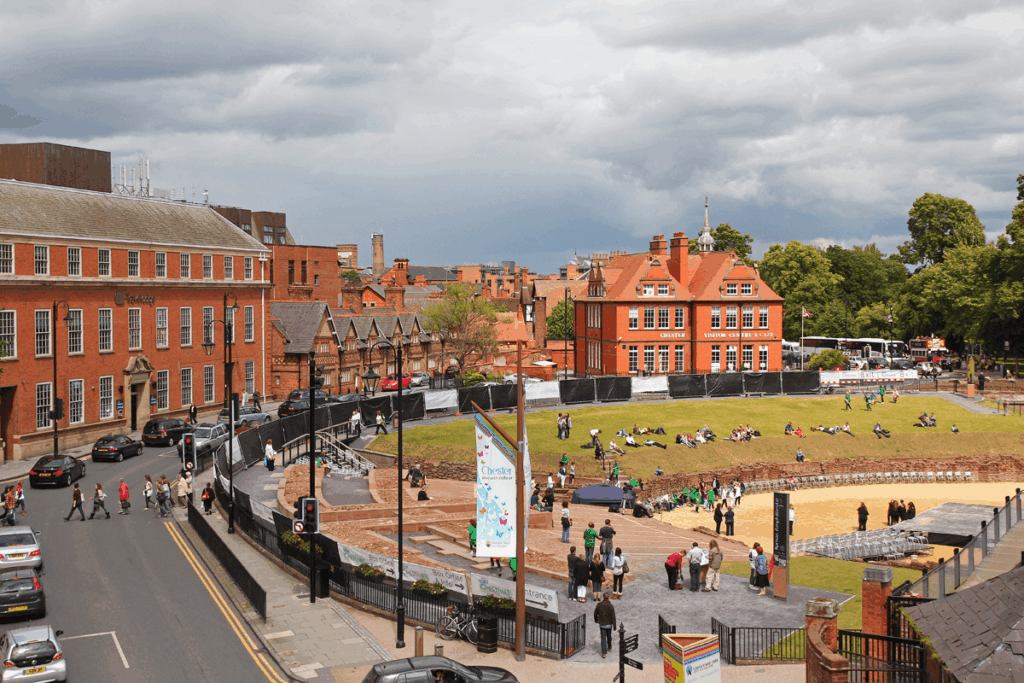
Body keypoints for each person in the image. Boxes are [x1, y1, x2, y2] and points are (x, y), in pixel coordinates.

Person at [594, 594, 616, 658]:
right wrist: (614, 625)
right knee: (609, 636)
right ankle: (609, 646)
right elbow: (613, 616)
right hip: (609, 624)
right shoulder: (610, 606)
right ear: (608, 598)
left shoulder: (599, 604)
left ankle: (604, 653)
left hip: (602, 624)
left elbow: (595, 613)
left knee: (603, 638)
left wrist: (596, 620)